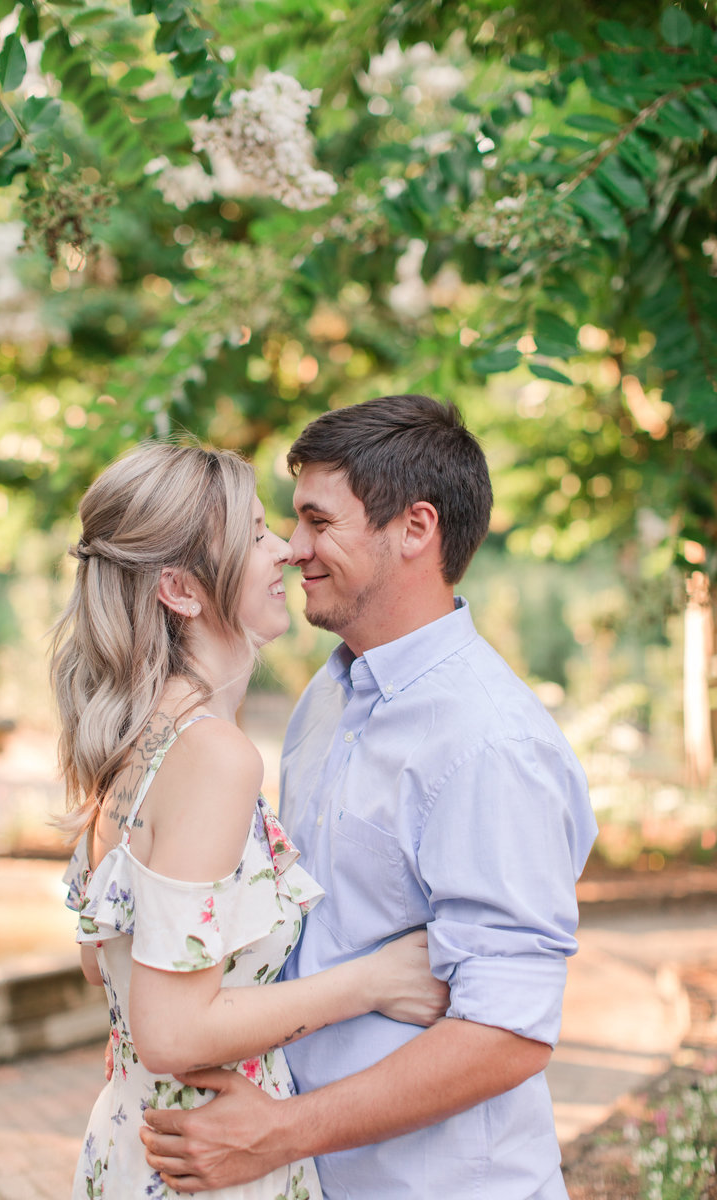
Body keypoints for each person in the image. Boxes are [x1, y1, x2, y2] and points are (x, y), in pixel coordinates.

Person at [140, 395, 599, 1199]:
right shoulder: (328, 695)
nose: (292, 549)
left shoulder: (492, 746)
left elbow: (509, 1032)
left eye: (319, 522)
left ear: (415, 529)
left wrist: (278, 1134)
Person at [51, 439, 449, 1199]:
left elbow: (99, 967)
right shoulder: (215, 758)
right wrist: (372, 982)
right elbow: (168, 1031)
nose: (287, 553)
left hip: (134, 1148)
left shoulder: (134, 742)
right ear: (180, 589)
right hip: (209, 1162)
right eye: (257, 534)